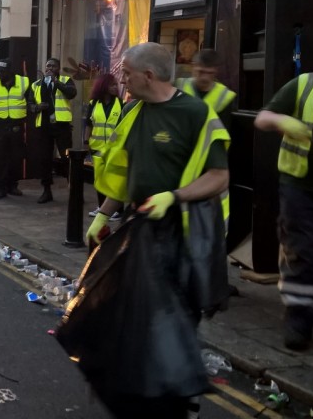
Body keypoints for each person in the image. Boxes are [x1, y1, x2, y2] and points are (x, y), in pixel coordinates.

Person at [86, 43, 229, 418]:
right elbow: (121, 173)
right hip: (141, 232)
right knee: (137, 321)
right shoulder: (133, 112)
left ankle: (183, 404)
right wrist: (103, 215)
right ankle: (148, 401)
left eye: (127, 71)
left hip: (184, 238)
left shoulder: (195, 113)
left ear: (148, 76)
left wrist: (174, 196)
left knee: (176, 325)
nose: (122, 78)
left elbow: (219, 176)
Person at [254, 70, 313, 351]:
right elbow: (262, 118)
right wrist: (282, 120)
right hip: (300, 186)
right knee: (302, 251)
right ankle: (299, 320)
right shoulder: (306, 83)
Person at [0, 59, 33, 200]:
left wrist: (30, 107)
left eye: (3, 72)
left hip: (16, 125)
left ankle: (12, 186)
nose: (0, 74)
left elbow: (31, 100)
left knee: (16, 158)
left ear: (10, 72)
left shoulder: (24, 82)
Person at [30, 58, 77, 204]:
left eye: (53, 66)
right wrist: (37, 108)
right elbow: (30, 104)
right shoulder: (36, 84)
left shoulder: (65, 80)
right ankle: (46, 191)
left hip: (61, 126)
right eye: (47, 66)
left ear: (58, 68)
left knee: (67, 158)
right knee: (44, 159)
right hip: (44, 127)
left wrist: (57, 83)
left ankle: (74, 192)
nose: (50, 68)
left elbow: (71, 93)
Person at [84, 73, 123, 218]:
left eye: (115, 84)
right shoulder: (94, 103)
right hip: (97, 147)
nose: (115, 87)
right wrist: (86, 142)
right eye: (112, 84)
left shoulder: (121, 103)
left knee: (114, 179)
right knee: (99, 180)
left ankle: (118, 211)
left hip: (115, 149)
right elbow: (88, 124)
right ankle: (101, 207)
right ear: (103, 86)